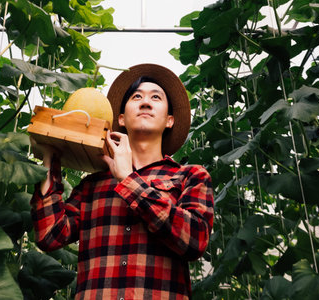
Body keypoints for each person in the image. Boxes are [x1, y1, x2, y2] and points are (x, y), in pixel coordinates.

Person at [30, 64, 214, 300]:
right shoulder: (92, 186)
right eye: (137, 97)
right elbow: (50, 235)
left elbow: (195, 240)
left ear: (169, 121)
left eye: (155, 97)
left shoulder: (190, 177)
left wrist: (128, 180)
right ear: (121, 119)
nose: (145, 102)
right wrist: (50, 157)